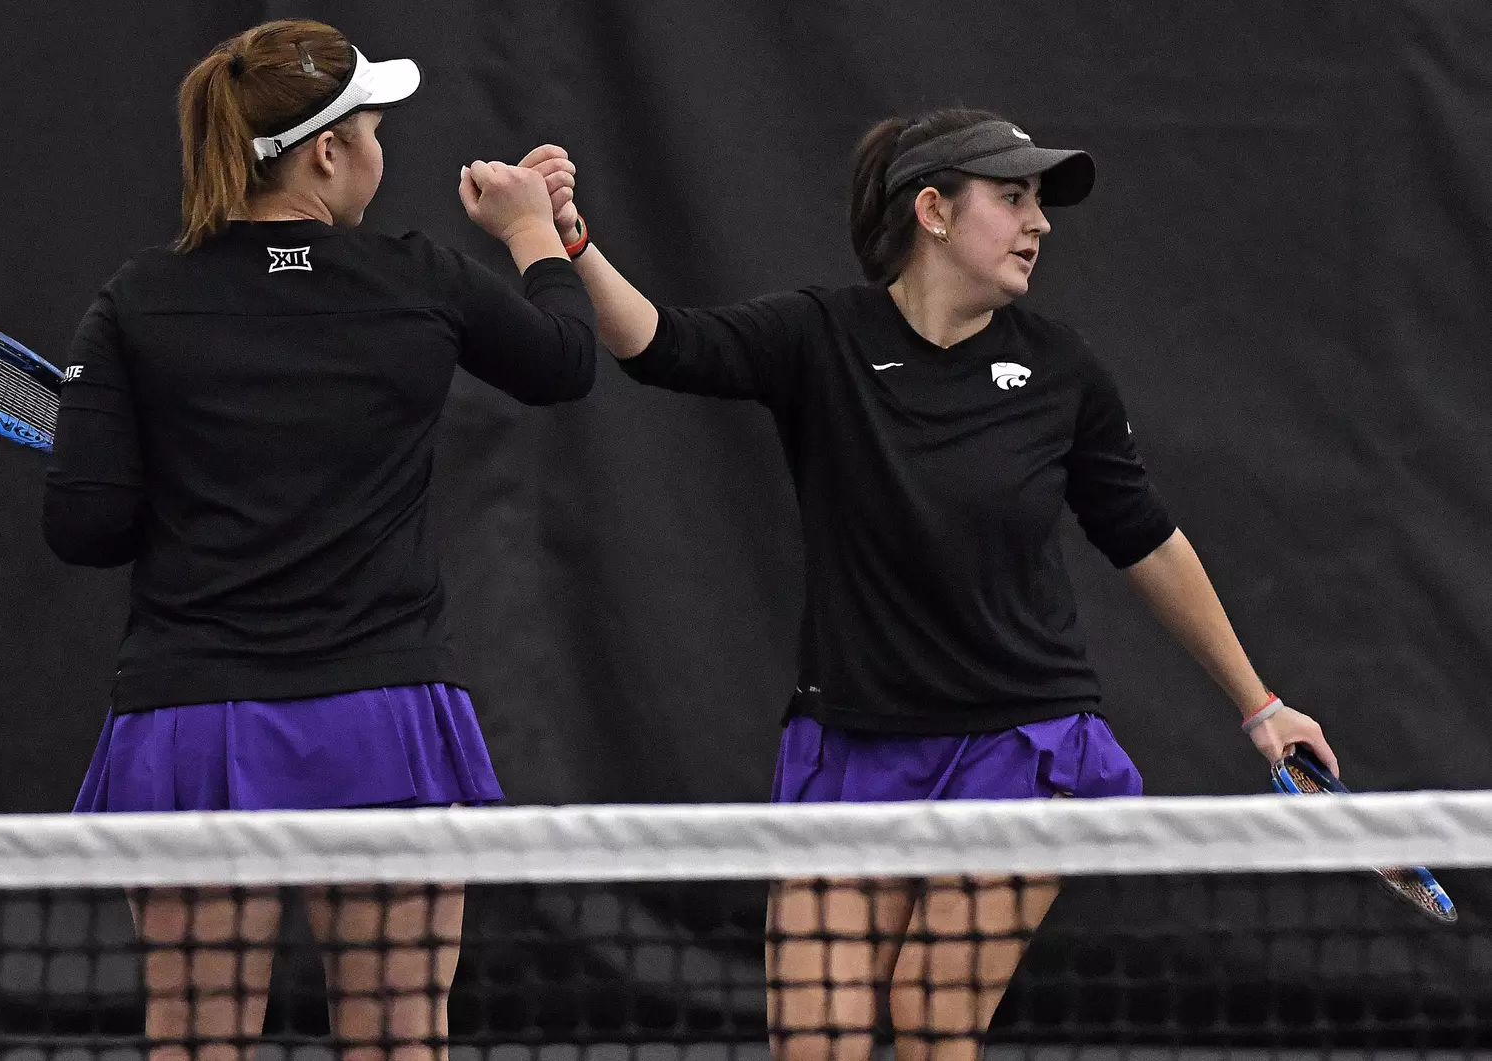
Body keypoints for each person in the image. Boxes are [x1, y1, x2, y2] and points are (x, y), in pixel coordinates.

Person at [518, 110, 1340, 1061]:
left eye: (1041, 202)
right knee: (811, 1041)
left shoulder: (1062, 371)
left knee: (931, 1022)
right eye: (1014, 197)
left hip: (1020, 747)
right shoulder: (819, 336)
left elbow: (1146, 539)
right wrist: (568, 237)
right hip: (851, 748)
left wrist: (1260, 705)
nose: (1039, 223)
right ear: (935, 211)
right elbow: (657, 344)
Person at [43, 20, 595, 1061]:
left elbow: (85, 526)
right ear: (327, 152)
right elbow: (565, 360)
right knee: (397, 1041)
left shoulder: (136, 302)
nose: (383, 150)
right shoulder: (417, 277)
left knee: (196, 1042)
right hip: (378, 717)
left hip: (194, 727)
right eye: (376, 128)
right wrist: (535, 231)